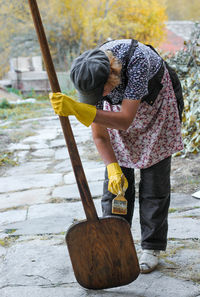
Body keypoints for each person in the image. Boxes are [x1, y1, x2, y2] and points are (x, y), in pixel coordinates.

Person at [50, 39, 184, 274]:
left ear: (111, 79)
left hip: (157, 108)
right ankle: (114, 243)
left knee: (154, 182)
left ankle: (151, 248)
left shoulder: (137, 63)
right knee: (115, 186)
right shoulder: (89, 74)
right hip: (122, 112)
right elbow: (101, 135)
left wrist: (82, 111)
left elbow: (124, 120)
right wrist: (112, 166)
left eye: (98, 94)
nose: (95, 99)